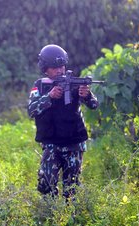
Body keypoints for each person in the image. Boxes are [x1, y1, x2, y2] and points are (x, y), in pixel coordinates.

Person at [28, 44, 99, 201]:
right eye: (54, 67)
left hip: (74, 142)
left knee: (71, 188)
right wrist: (49, 97)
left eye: (61, 66)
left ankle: (70, 221)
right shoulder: (40, 85)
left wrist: (86, 95)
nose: (59, 70)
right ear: (45, 68)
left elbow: (94, 105)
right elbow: (31, 110)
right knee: (45, 183)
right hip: (52, 142)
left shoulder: (75, 83)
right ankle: (50, 216)